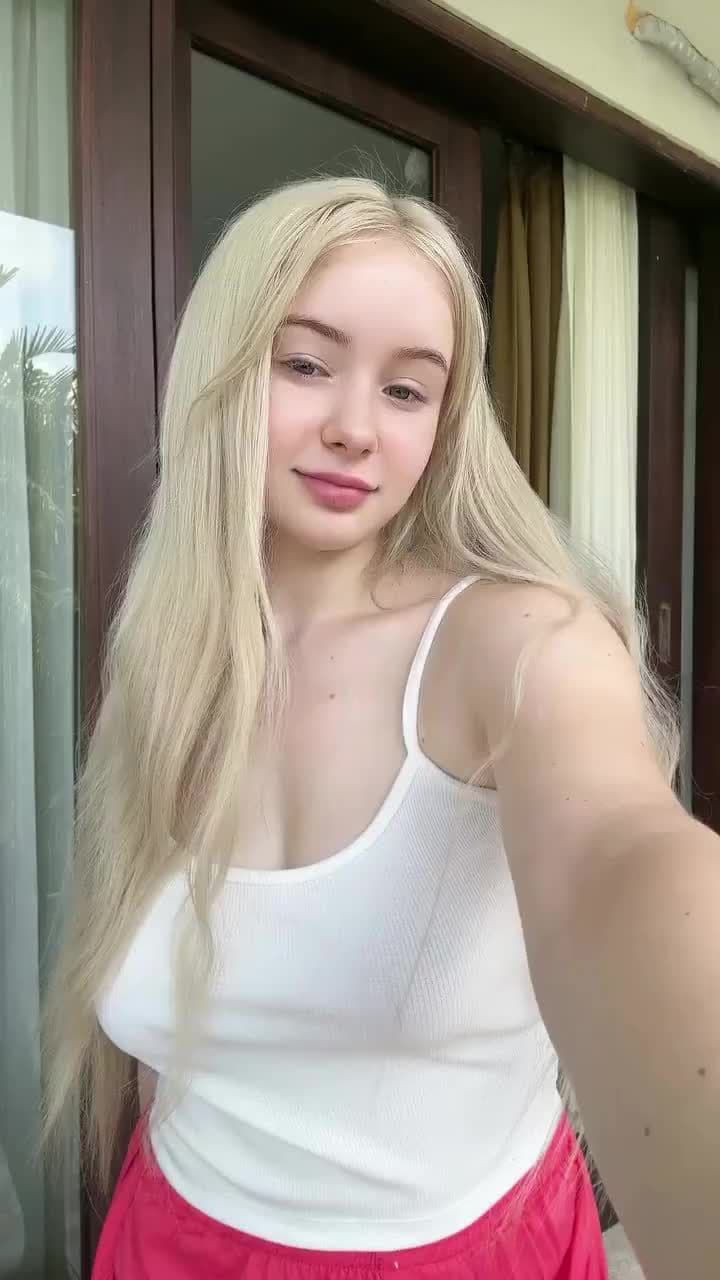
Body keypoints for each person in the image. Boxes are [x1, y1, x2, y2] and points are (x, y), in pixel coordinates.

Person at [43, 177, 720, 1280]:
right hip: (167, 1232)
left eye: (407, 390)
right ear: (221, 370)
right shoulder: (159, 665)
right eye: (306, 364)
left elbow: (623, 858)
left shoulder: (518, 644)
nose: (355, 429)